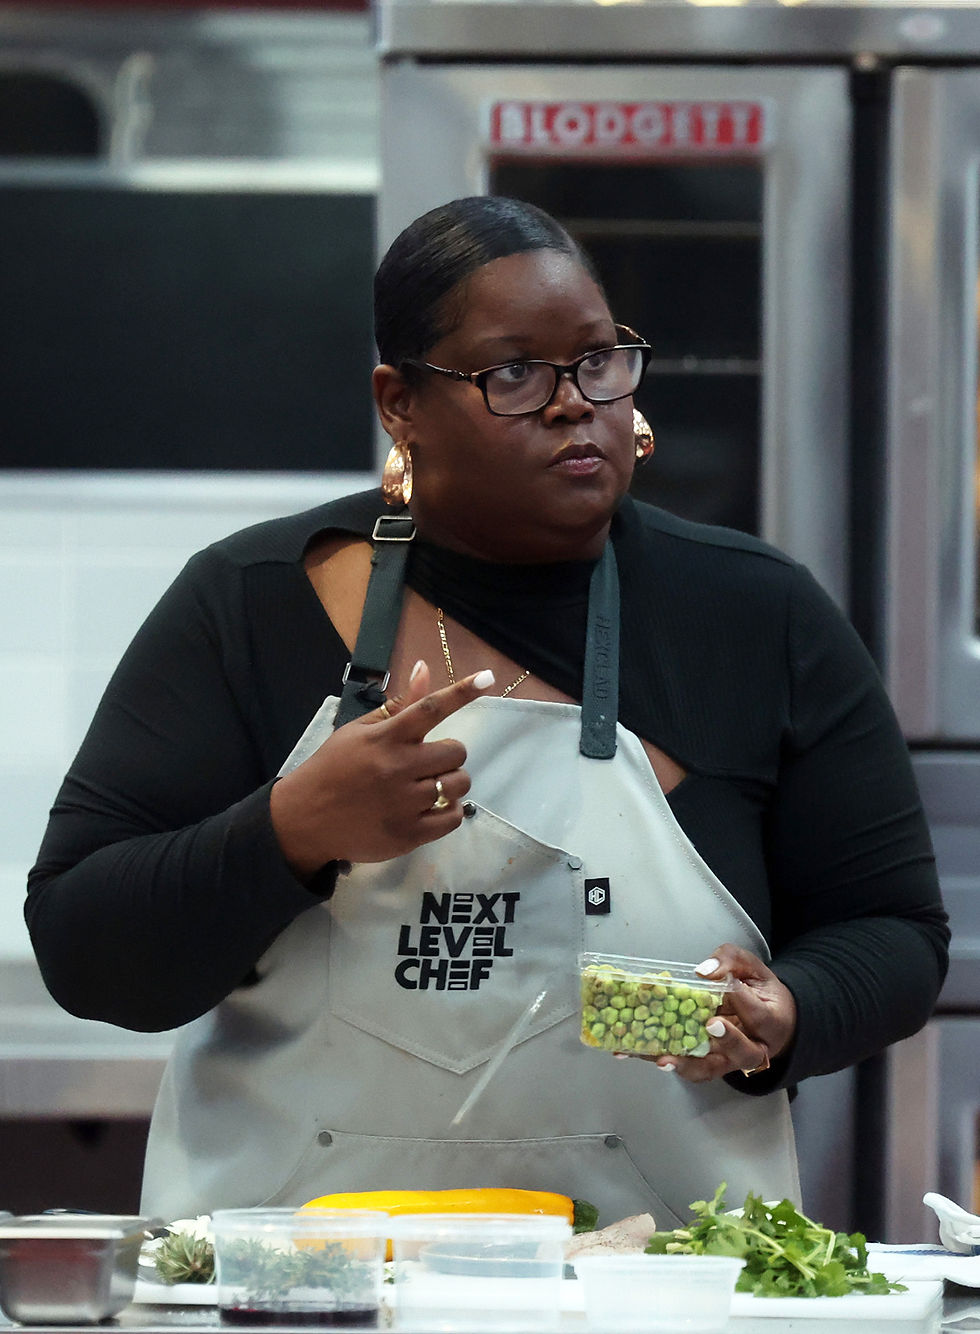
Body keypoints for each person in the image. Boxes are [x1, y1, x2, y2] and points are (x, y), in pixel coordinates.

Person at [26, 196, 948, 1230]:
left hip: (656, 1282)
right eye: (511, 374)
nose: (571, 404)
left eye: (598, 362)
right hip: (295, 1280)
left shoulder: (751, 612)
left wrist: (785, 1011)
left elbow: (893, 929)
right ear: (398, 401)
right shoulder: (246, 603)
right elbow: (84, 946)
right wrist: (290, 830)